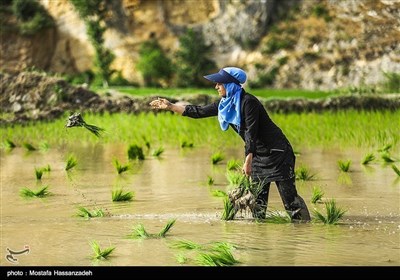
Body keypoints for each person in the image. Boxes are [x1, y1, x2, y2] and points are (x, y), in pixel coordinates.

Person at [149, 67, 311, 221]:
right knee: (257, 206)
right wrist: (170, 106)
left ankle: (302, 231)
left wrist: (248, 160)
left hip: (278, 153)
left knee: (290, 201)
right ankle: (259, 242)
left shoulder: (249, 102)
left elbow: (251, 132)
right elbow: (199, 112)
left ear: (230, 84)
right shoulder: (224, 104)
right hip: (258, 156)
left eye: (220, 83)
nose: (216, 86)